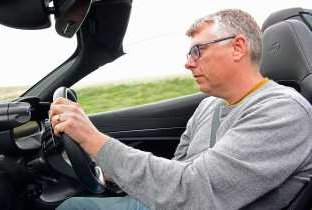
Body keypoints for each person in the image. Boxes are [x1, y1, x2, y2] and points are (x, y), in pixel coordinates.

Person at [50, 9, 312, 210]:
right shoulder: (209, 106)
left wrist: (92, 139)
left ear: (238, 47)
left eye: (197, 51)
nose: (188, 64)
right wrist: (110, 169)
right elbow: (177, 170)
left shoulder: (282, 112)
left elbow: (192, 193)